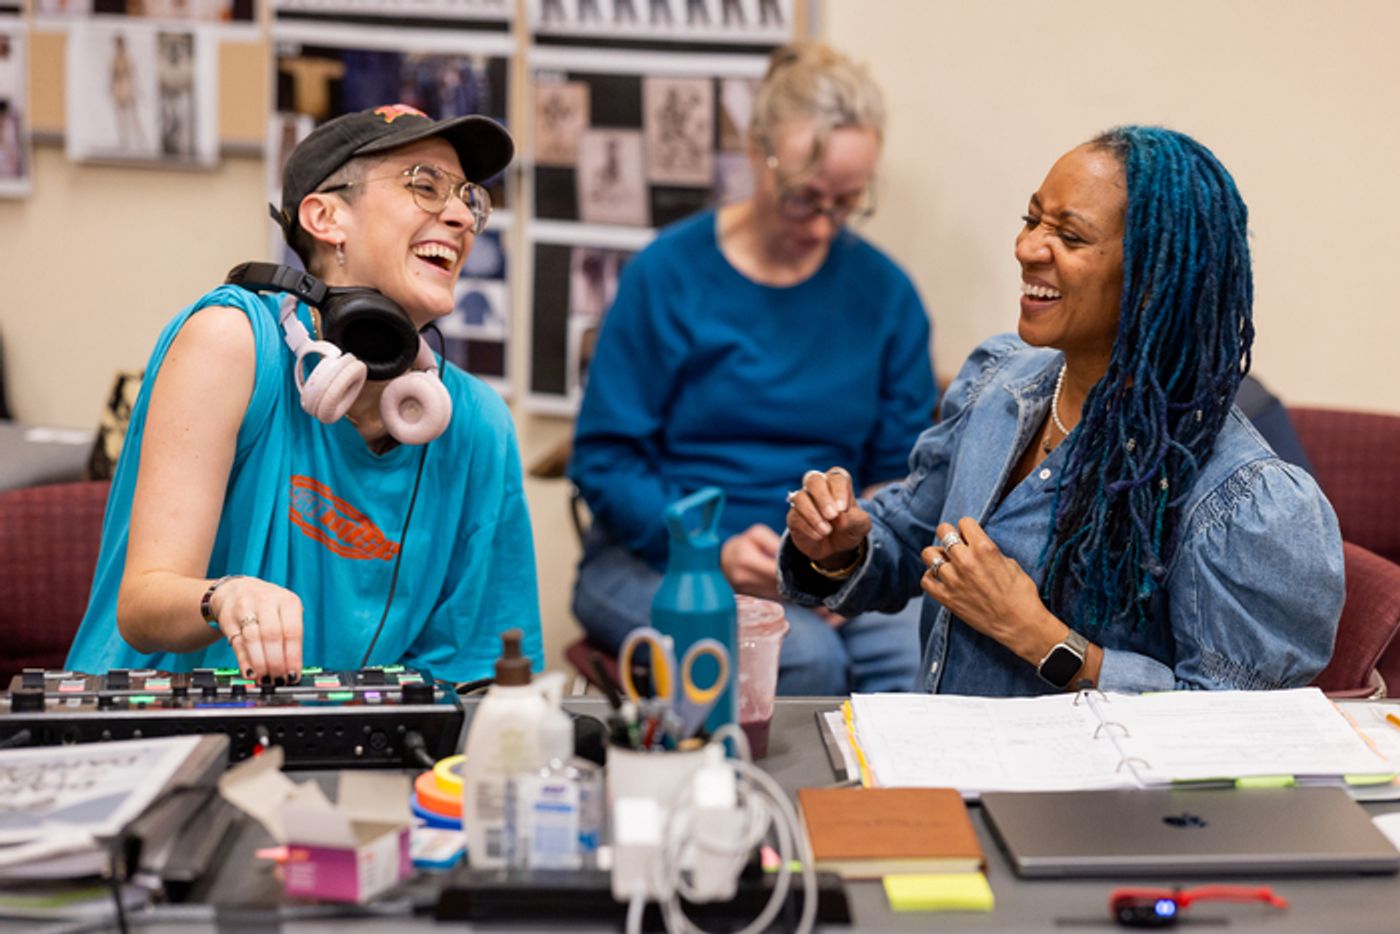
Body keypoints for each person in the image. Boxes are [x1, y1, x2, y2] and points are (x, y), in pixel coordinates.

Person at [780, 126, 1343, 695]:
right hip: (949, 766)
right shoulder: (997, 381)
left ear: (1151, 279)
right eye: (1031, 221)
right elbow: (910, 540)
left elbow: (1239, 732)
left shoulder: (1245, 501)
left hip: (1086, 787)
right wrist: (839, 548)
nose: (1027, 249)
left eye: (1069, 237)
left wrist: (1038, 635)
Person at [66, 104, 543, 683]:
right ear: (325, 217)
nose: (461, 218)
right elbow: (141, 603)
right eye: (425, 185)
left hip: (344, 760)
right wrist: (228, 597)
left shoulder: (475, 424)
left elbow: (475, 676)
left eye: (469, 199)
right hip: (159, 731)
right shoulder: (231, 341)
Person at [570, 41, 937, 695]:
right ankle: (770, 802)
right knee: (802, 660)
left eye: (847, 202)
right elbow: (605, 462)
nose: (824, 225)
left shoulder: (887, 296)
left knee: (916, 650)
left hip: (825, 560)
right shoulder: (669, 276)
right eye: (804, 198)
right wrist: (707, 551)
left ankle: (887, 803)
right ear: (755, 151)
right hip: (660, 556)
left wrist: (846, 563)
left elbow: (902, 476)